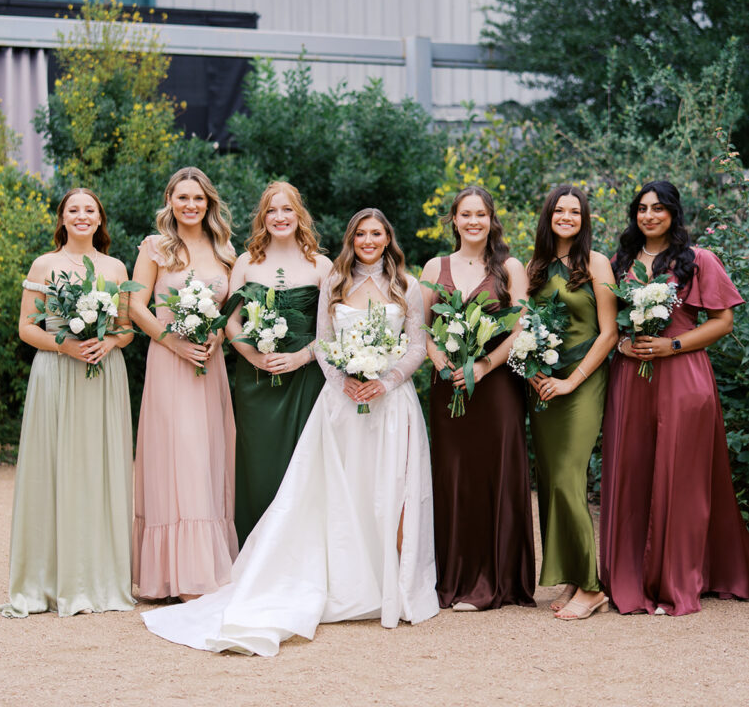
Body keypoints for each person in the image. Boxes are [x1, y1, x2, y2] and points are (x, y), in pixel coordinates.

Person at [142, 208, 439, 655]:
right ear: (351, 238)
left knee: (391, 491)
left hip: (392, 403)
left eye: (377, 233)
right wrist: (346, 384)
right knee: (341, 492)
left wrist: (386, 380)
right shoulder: (336, 280)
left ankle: (391, 584)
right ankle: (345, 578)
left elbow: (417, 344)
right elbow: (324, 338)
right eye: (361, 233)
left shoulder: (408, 286)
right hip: (341, 403)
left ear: (388, 238)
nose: (369, 240)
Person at [601, 180, 749, 615]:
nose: (649, 215)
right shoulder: (619, 262)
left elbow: (723, 322)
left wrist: (675, 345)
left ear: (673, 213)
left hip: (683, 378)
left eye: (658, 208)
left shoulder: (698, 260)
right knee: (633, 470)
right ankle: (630, 573)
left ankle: (679, 578)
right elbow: (606, 323)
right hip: (631, 380)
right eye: (642, 208)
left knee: (679, 475)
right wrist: (622, 345)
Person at [0, 188, 135, 617]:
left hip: (102, 374)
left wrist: (108, 343)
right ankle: (47, 580)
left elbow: (128, 328)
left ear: (100, 220)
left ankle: (97, 577)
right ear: (62, 218)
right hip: (57, 372)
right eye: (73, 209)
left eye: (89, 210)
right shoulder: (45, 263)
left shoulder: (115, 266)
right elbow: (26, 326)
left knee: (98, 468)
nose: (81, 216)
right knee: (53, 467)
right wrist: (67, 348)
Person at [420, 186, 535, 611]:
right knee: (454, 475)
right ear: (453, 219)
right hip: (448, 383)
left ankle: (495, 580)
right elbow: (422, 325)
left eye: (480, 215)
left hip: (497, 384)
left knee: (495, 471)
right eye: (465, 214)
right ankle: (453, 577)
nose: (473, 222)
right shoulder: (436, 265)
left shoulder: (509, 267)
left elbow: (520, 326)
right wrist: (441, 362)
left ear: (491, 220)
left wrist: (483, 366)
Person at [130, 167, 238, 601]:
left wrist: (215, 335)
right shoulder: (155, 247)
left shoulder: (225, 249)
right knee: (175, 455)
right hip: (168, 360)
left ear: (209, 203)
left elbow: (232, 308)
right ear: (170, 201)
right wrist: (172, 342)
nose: (190, 205)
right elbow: (135, 304)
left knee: (206, 454)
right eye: (182, 198)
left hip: (209, 365)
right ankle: (168, 576)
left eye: (198, 198)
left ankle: (201, 568)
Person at [526, 184, 616, 620]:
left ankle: (592, 587)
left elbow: (609, 333)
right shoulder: (535, 267)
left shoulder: (596, 263)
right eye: (559, 210)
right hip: (543, 385)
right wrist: (534, 371)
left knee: (567, 476)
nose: (566, 217)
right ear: (548, 216)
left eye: (574, 211)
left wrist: (571, 381)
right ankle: (571, 577)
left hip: (583, 383)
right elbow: (523, 326)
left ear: (584, 219)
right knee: (550, 480)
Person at [226, 181, 332, 545]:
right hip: (255, 380)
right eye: (271, 210)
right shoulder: (246, 262)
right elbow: (230, 322)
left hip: (306, 379)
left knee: (302, 464)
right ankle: (254, 551)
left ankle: (302, 552)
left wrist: (301, 357)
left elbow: (332, 329)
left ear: (299, 214)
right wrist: (255, 356)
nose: (279, 217)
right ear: (263, 217)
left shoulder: (321, 264)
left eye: (287, 209)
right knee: (259, 464)